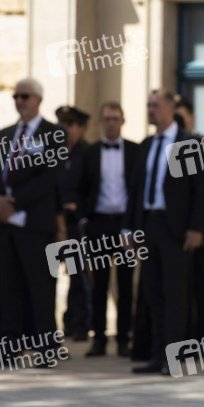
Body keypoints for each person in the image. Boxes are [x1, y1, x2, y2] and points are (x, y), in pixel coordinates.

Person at [124, 89, 204, 374]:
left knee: (175, 294)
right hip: (148, 225)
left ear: (171, 108)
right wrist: (129, 228)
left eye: (155, 105)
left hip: (176, 229)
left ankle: (174, 358)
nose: (150, 110)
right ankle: (157, 356)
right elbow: (135, 190)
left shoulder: (188, 143)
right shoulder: (146, 144)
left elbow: (200, 190)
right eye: (148, 105)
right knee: (153, 293)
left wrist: (196, 228)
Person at [0, 78, 67, 364]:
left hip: (34, 222)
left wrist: (14, 203)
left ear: (38, 99)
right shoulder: (5, 134)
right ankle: (8, 347)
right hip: (4, 223)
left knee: (40, 286)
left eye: (24, 96)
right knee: (8, 285)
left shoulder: (54, 134)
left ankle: (46, 348)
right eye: (16, 96)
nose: (19, 101)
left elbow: (49, 177)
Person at [77, 102, 140, 357]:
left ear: (123, 121)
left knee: (125, 286)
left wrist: (133, 226)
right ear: (101, 122)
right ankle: (99, 339)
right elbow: (80, 188)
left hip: (125, 225)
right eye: (107, 119)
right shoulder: (90, 152)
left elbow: (138, 190)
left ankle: (123, 340)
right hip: (98, 224)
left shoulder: (135, 150)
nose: (111, 123)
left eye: (115, 118)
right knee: (99, 286)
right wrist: (84, 219)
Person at [174, 96, 204, 343]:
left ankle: (202, 336)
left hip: (201, 231)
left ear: (192, 118)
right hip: (174, 232)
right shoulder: (168, 145)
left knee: (201, 283)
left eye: (181, 118)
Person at [55, 105, 92, 342]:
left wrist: (77, 207)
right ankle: (61, 322)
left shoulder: (86, 153)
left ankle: (80, 323)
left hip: (76, 222)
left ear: (81, 128)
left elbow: (90, 187)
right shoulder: (54, 153)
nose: (64, 129)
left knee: (79, 274)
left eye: (69, 124)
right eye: (62, 124)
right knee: (50, 275)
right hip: (54, 220)